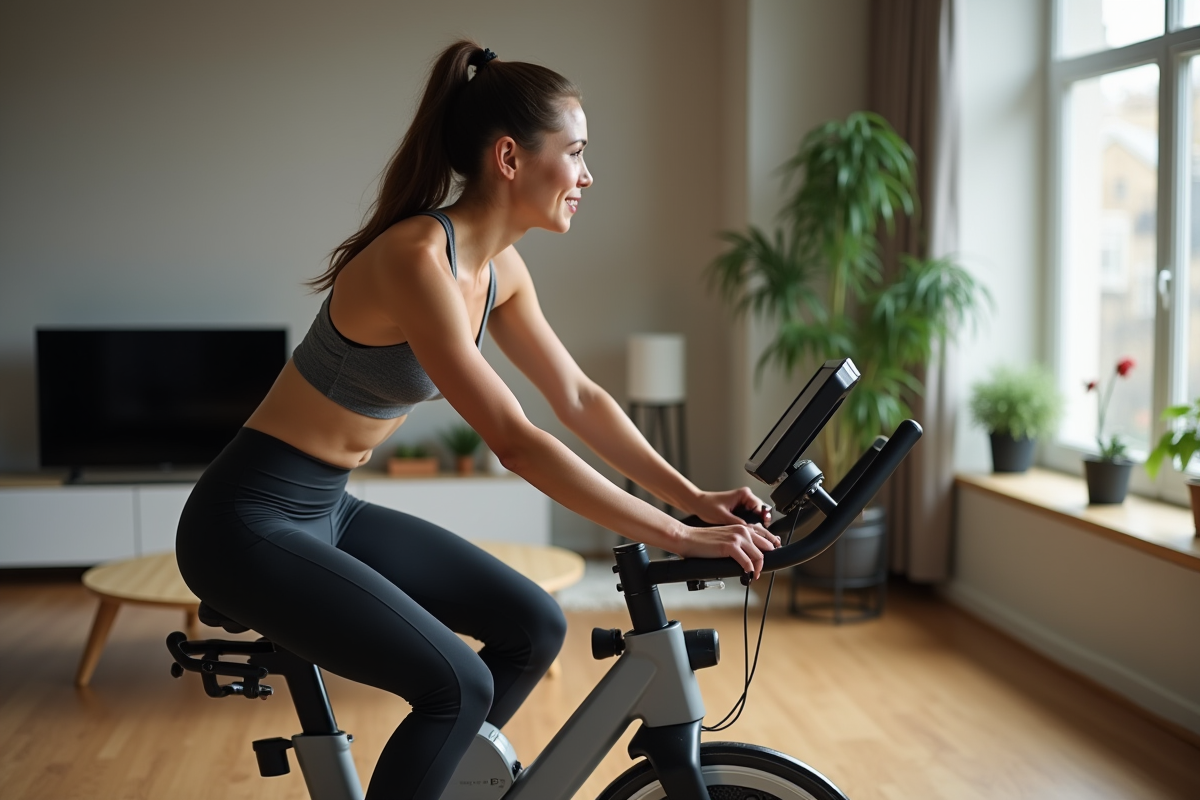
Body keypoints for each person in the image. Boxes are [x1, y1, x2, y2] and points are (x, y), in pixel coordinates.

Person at [175, 39, 779, 800]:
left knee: (535, 626)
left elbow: (579, 398)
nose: (588, 175)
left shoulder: (499, 270)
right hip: (245, 520)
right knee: (458, 686)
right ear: (509, 157)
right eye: (576, 153)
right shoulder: (417, 259)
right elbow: (516, 442)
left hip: (328, 507)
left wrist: (693, 497)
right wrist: (677, 536)